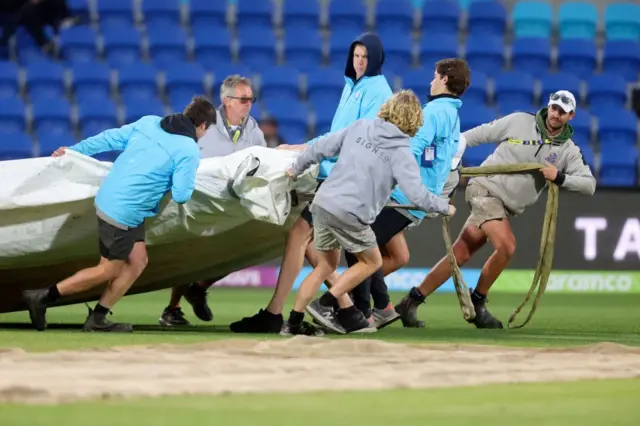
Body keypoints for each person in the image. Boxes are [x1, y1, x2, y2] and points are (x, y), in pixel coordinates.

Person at [229, 32, 394, 334]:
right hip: (335, 174)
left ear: (375, 59)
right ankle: (344, 311)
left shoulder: (376, 90)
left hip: (343, 179)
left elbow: (353, 138)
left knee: (305, 239)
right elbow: (341, 136)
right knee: (312, 247)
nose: (359, 62)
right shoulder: (354, 86)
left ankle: (296, 312)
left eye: (365, 57)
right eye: (356, 56)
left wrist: (304, 149)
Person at [394, 90, 596, 329]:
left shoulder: (568, 150)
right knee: (507, 246)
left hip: (504, 206)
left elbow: (589, 185)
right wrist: (451, 155)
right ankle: (478, 302)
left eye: (562, 112)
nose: (555, 114)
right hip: (483, 190)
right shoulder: (520, 121)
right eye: (553, 108)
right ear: (548, 107)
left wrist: (560, 177)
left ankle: (410, 302)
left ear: (571, 116)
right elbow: (478, 134)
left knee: (461, 253)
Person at [21, 96, 216, 332]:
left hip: (112, 200)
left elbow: (109, 138)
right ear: (203, 125)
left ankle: (98, 317)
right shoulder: (189, 149)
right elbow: (182, 194)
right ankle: (43, 297)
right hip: (124, 212)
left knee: (138, 260)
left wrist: (74, 151)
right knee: (108, 269)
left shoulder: (149, 123)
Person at [282, 90, 455, 335]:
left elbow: (321, 147)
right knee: (372, 261)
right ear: (414, 119)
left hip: (322, 204)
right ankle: (326, 304)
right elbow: (416, 194)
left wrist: (295, 167)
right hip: (351, 213)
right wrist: (444, 207)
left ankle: (293, 324)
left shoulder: (360, 127)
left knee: (326, 266)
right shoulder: (401, 151)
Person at [347, 58, 470, 328]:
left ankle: (360, 312)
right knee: (372, 250)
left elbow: (411, 149)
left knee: (358, 247)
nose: (431, 81)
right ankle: (379, 308)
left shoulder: (436, 111)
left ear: (445, 80)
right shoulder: (451, 113)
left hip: (403, 197)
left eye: (435, 76)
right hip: (414, 198)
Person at [159, 75, 268, 327]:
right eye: (243, 99)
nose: (249, 103)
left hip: (234, 201)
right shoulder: (204, 124)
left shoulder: (253, 128)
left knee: (242, 251)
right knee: (191, 253)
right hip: (199, 198)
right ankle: (172, 308)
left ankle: (198, 288)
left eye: (251, 99)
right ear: (226, 101)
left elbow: (263, 159)